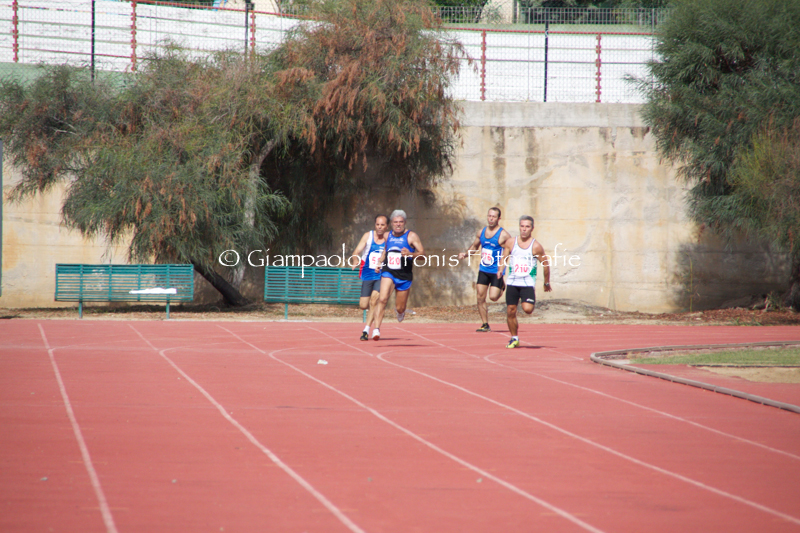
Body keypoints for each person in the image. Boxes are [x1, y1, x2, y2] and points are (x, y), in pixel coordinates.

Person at [370, 210, 425, 341]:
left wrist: (410, 254)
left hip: (404, 275)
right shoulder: (387, 235)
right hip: (388, 271)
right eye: (395, 222)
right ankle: (376, 329)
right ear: (391, 223)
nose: (398, 224)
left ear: (404, 222)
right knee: (382, 299)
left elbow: (423, 255)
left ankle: (400, 312)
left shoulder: (411, 236)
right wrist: (379, 262)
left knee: (400, 307)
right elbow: (385, 250)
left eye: (400, 222)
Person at [498, 215, 551, 348]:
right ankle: (514, 338)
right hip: (512, 282)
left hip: (527, 283)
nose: (524, 229)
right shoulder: (511, 242)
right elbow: (504, 258)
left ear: (532, 228)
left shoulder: (536, 246)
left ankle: (527, 300)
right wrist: (500, 270)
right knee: (510, 310)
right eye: (522, 226)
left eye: (527, 226)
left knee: (527, 309)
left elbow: (545, 264)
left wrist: (546, 283)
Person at [458, 207, 511, 332]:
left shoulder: (503, 235)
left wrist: (502, 266)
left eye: (494, 217)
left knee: (493, 297)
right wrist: (465, 254)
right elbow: (474, 246)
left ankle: (501, 286)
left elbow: (510, 249)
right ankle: (485, 324)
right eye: (489, 216)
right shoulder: (481, 232)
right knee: (480, 297)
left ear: (498, 218)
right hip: (484, 269)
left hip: (496, 271)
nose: (491, 219)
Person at [350, 215, 388, 341]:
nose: (380, 227)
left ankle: (367, 330)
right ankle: (373, 323)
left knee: (374, 300)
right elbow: (356, 252)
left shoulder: (389, 238)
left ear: (387, 226)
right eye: (378, 224)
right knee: (363, 305)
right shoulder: (368, 236)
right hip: (367, 273)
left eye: (382, 225)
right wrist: (355, 260)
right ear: (375, 225)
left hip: (381, 274)